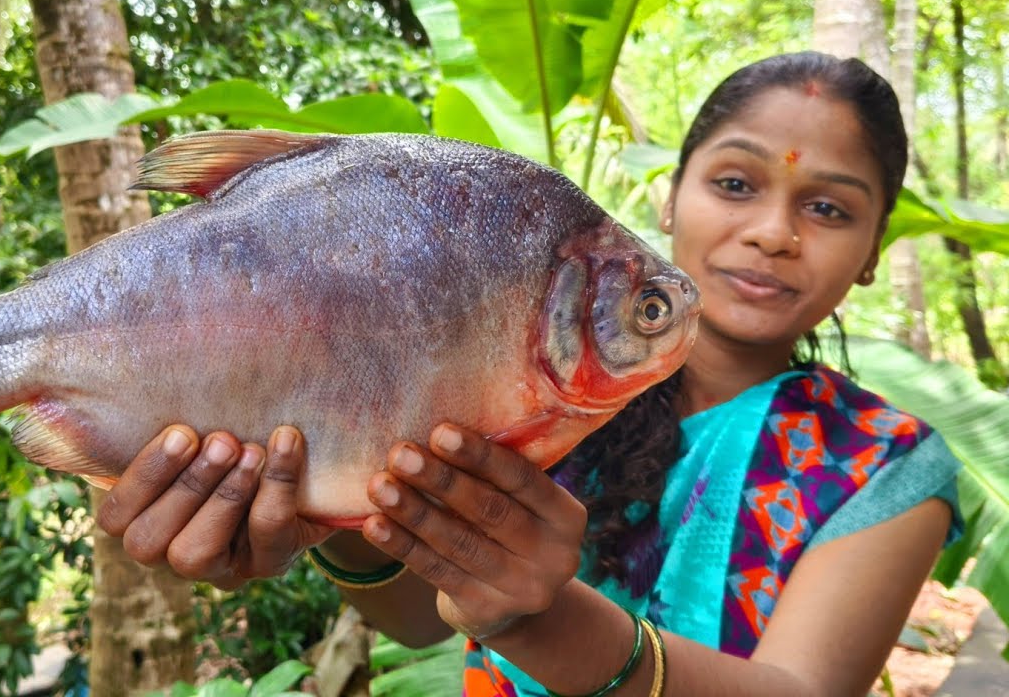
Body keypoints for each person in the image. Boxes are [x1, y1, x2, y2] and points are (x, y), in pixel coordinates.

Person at [94, 52, 962, 696]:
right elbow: (411, 614)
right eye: (735, 183)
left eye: (828, 207)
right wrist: (333, 513)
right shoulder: (533, 372)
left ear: (875, 248)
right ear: (672, 197)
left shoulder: (886, 462)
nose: (774, 232)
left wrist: (541, 617)